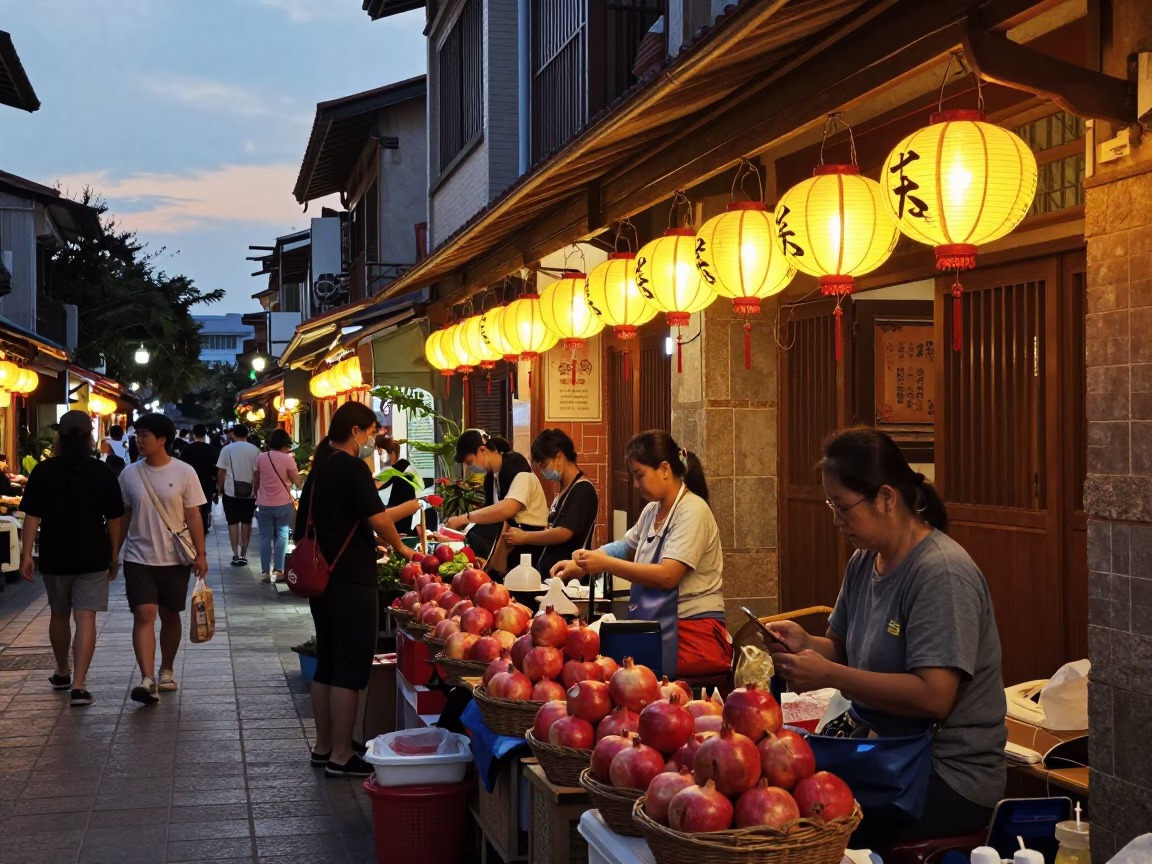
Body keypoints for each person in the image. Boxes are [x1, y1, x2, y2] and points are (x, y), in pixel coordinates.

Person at [766, 427, 1006, 843]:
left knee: (808, 826)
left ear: (887, 499)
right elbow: (843, 649)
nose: (837, 521)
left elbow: (934, 696)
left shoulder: (941, 573)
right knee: (778, 792)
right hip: (882, 752)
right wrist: (805, 644)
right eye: (831, 506)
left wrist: (828, 675)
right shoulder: (865, 561)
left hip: (943, 773)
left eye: (843, 507)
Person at [294, 401, 416, 777]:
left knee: (328, 663)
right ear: (355, 432)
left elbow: (324, 523)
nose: (373, 440)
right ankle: (342, 755)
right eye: (372, 432)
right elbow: (377, 517)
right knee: (349, 667)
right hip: (350, 580)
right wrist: (401, 548)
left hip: (323, 582)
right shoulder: (351, 467)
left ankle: (324, 746)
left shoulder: (321, 467)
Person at [551, 430, 730, 679]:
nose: (635, 484)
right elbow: (626, 547)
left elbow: (668, 576)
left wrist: (606, 564)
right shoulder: (652, 510)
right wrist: (581, 563)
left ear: (664, 469)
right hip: (656, 628)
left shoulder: (692, 511)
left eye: (639, 475)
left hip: (691, 634)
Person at [19, 411, 124, 706]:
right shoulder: (102, 471)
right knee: (85, 616)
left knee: (59, 613)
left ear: (60, 437)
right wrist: (114, 553)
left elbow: (32, 516)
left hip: (55, 552)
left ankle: (63, 671)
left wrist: (26, 555)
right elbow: (115, 518)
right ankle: (79, 686)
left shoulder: (43, 471)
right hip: (93, 553)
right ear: (90, 437)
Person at [115, 412, 208, 705]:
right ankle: (147, 679)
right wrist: (115, 551)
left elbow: (193, 515)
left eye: (145, 435)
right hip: (138, 558)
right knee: (143, 614)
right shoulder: (129, 474)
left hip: (174, 559)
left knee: (170, 615)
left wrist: (201, 554)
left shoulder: (184, 472)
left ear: (162, 439)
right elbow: (125, 514)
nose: (139, 440)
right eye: (137, 435)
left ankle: (166, 669)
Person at [443, 430, 549, 571]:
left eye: (469, 462)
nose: (469, 467)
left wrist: (463, 518)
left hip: (529, 549)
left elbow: (506, 509)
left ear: (482, 450)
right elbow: (490, 513)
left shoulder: (521, 474)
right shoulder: (492, 478)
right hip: (509, 544)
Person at [505, 429, 598, 575]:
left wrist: (524, 536)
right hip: (552, 574)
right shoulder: (563, 490)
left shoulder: (582, 489)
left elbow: (563, 533)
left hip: (569, 576)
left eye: (544, 464)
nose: (543, 470)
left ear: (559, 457)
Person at [254, 428, 301, 583]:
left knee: (264, 536)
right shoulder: (288, 459)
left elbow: (256, 479)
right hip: (283, 503)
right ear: (285, 443)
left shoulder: (261, 458)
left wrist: (256, 495)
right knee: (281, 535)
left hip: (264, 503)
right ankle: (279, 570)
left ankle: (265, 572)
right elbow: (297, 482)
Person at [216, 424, 260, 566]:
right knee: (246, 522)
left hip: (230, 491)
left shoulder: (226, 449)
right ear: (247, 434)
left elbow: (221, 471)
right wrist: (257, 491)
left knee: (232, 523)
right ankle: (243, 554)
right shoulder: (255, 450)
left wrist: (220, 488)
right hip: (250, 492)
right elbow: (257, 473)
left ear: (234, 435)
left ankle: (235, 554)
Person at [374, 434, 421, 536]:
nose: (378, 457)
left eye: (379, 453)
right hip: (404, 523)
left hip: (396, 525)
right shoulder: (405, 468)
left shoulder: (395, 472)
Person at [179, 424, 218, 534]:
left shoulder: (187, 449)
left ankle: (193, 527)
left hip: (190, 482)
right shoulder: (211, 449)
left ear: (193, 433)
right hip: (207, 482)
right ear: (205, 434)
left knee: (192, 506)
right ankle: (204, 527)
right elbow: (215, 468)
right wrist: (216, 487)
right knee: (205, 506)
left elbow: (181, 466)